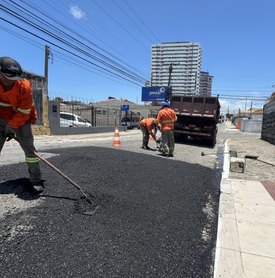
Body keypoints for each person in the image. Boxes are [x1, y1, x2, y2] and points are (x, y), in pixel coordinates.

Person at [0, 56, 44, 194]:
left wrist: (11, 127)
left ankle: (36, 180)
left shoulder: (24, 86)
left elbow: (24, 111)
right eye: (8, 78)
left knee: (30, 151)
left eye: (15, 78)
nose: (12, 82)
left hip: (22, 119)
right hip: (1, 117)